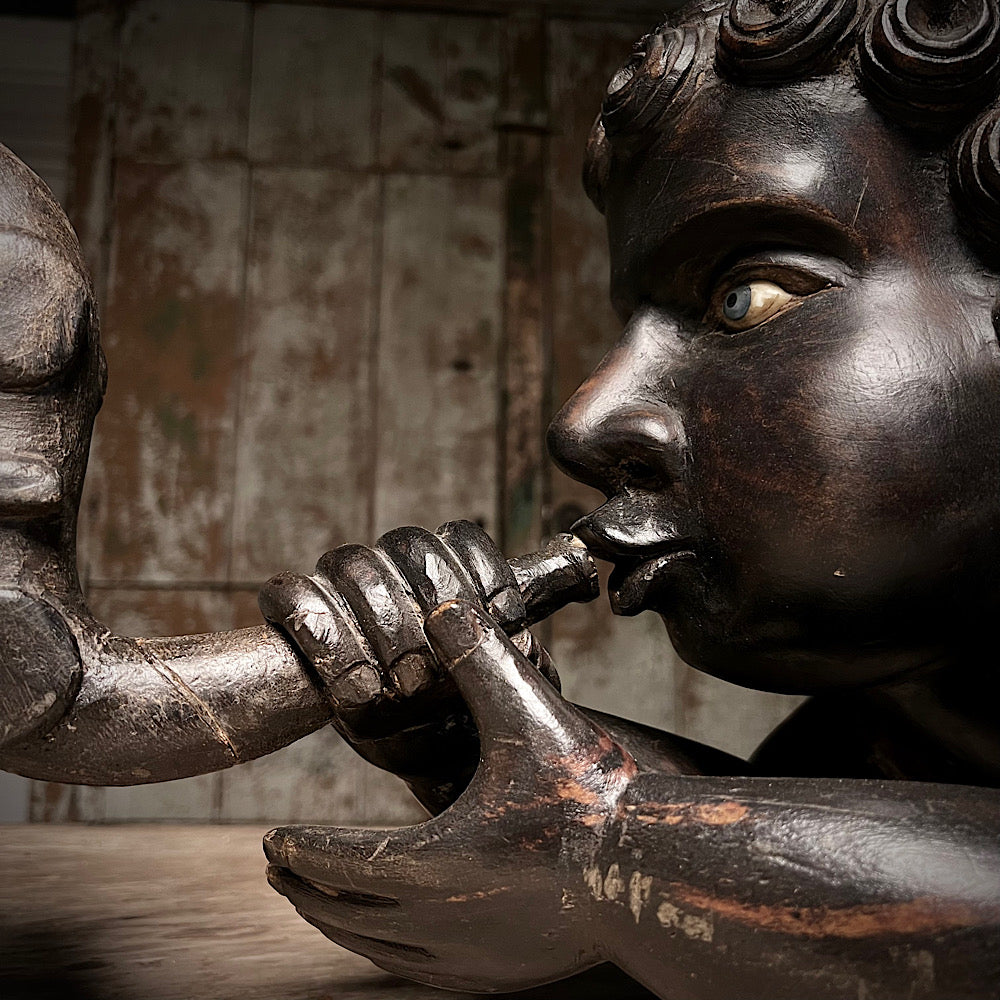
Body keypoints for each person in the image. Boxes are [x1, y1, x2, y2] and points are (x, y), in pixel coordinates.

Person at [258, 0, 1000, 996]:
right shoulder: (892, 729)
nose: (585, 420)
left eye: (742, 296)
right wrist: (477, 743)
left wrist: (606, 846)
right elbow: (823, 829)